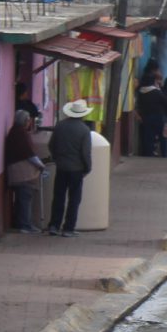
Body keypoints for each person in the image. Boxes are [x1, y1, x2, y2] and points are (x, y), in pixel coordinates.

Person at [45, 100, 94, 236]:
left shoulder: (60, 126)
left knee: (58, 197)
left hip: (61, 167)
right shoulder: (84, 130)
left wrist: (56, 158)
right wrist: (87, 167)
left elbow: (51, 145)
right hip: (76, 169)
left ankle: (54, 225)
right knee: (74, 199)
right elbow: (85, 152)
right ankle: (68, 228)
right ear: (83, 114)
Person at [4, 109, 45, 233]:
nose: (29, 122)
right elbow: (29, 154)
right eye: (28, 120)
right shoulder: (21, 133)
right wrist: (41, 165)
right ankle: (25, 225)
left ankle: (21, 223)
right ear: (25, 121)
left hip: (15, 171)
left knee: (22, 198)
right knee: (25, 198)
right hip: (22, 173)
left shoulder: (15, 131)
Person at [135, 74, 167, 156]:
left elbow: (139, 104)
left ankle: (148, 153)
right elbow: (166, 102)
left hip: (145, 116)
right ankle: (164, 153)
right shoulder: (156, 92)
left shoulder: (141, 92)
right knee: (162, 136)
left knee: (148, 136)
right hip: (158, 116)